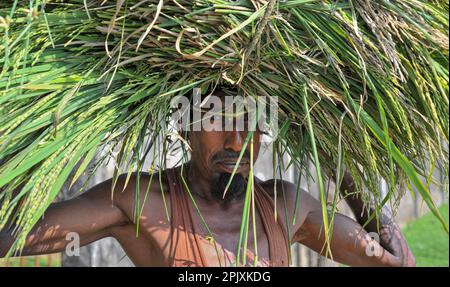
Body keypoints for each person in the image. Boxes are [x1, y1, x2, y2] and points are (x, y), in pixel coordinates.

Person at [0, 88, 415, 267]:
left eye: (251, 122)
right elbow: (11, 237)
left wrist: (333, 155)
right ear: (184, 126)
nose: (237, 141)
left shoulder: (286, 206)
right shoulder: (141, 200)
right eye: (218, 119)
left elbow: (391, 259)